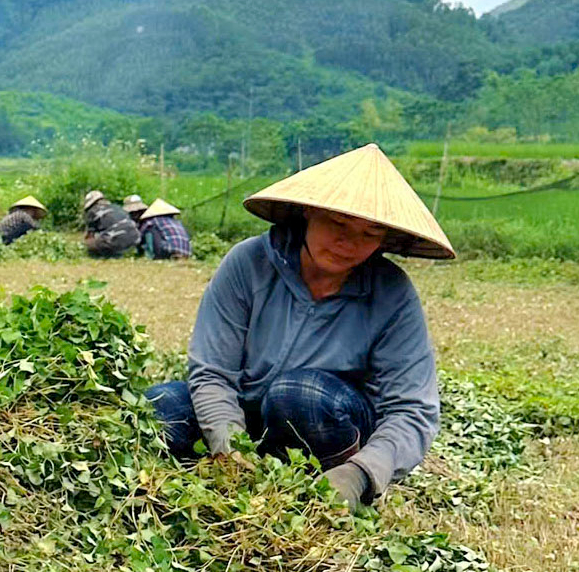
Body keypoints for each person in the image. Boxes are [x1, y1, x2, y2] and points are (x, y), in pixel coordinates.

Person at [146, 144, 455, 511]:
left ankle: (324, 490)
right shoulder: (249, 263)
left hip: (323, 421)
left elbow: (412, 411)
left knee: (297, 394)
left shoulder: (392, 294)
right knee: (157, 408)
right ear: (309, 211)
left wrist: (361, 473)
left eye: (369, 233)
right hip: (247, 419)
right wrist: (229, 450)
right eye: (338, 223)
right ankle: (242, 474)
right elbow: (212, 373)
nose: (349, 243)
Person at [83, 190, 140, 258]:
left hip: (116, 239)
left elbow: (89, 236)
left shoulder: (92, 212)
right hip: (135, 238)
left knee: (91, 243)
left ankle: (106, 255)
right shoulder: (117, 207)